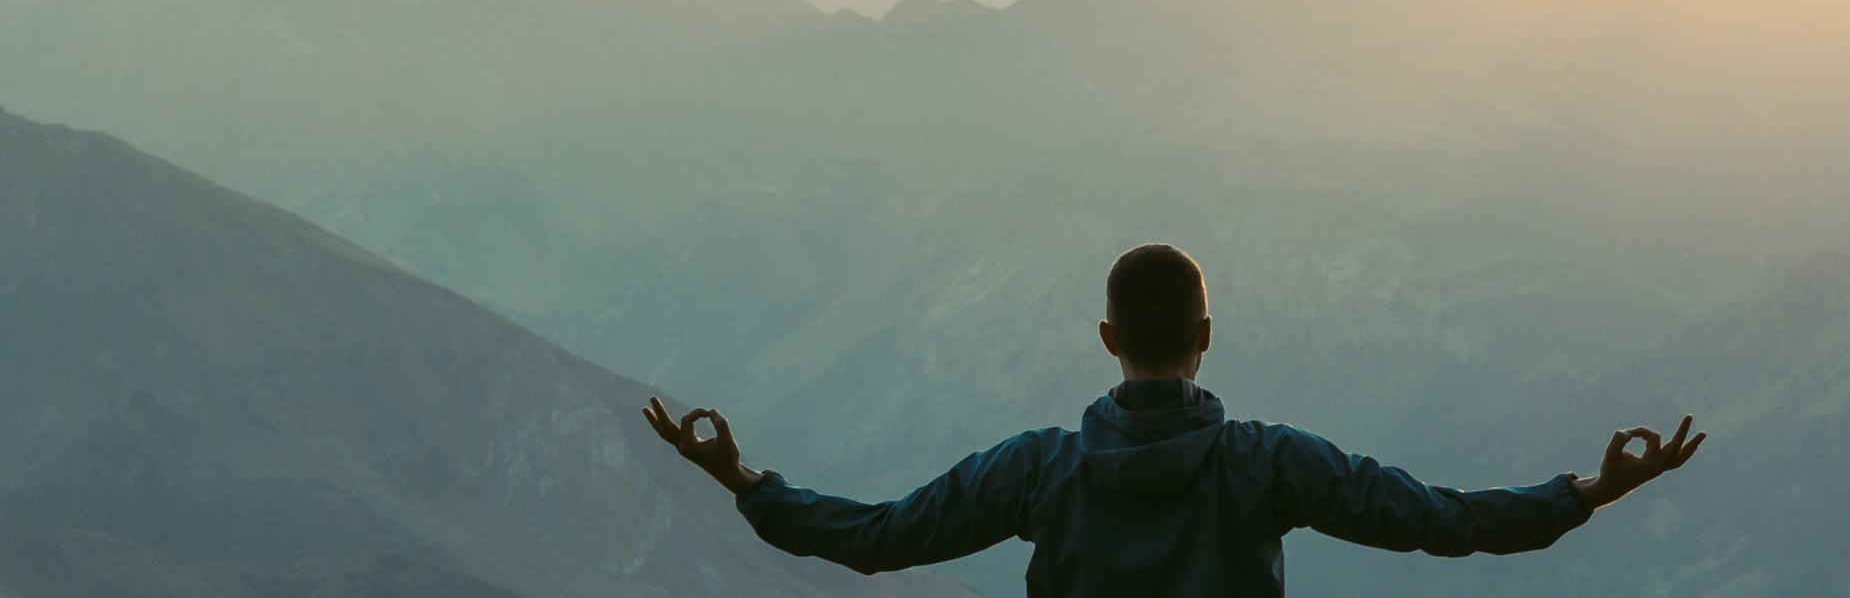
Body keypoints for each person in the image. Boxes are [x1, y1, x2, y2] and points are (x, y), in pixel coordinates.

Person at [640, 243, 1705, 596]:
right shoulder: (1271, 466)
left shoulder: (1035, 473)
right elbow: (1441, 520)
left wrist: (742, 480)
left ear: (1105, 340)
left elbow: (874, 543)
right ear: (1209, 332)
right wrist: (1588, 492)